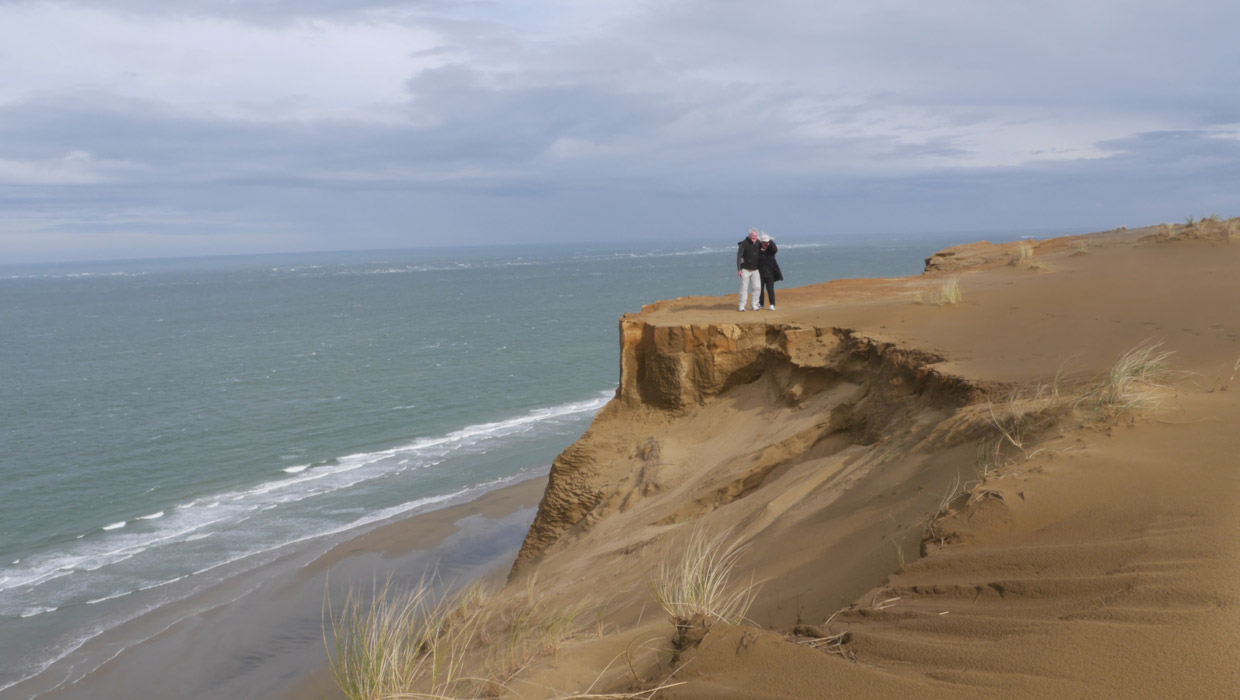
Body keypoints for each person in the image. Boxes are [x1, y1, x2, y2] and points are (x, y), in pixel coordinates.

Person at [736, 228, 762, 311]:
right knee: (744, 288)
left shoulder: (758, 243)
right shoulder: (743, 244)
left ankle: (754, 304)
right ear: (749, 235)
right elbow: (739, 257)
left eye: (756, 235)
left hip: (756, 269)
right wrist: (739, 269)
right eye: (753, 235)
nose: (754, 237)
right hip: (745, 269)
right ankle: (741, 305)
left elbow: (767, 246)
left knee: (757, 287)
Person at [757, 232, 782, 310]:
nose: (765, 244)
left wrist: (770, 240)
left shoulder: (771, 250)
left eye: (766, 242)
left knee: (770, 289)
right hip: (760, 273)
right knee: (760, 290)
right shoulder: (758, 250)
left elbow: (774, 248)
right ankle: (761, 304)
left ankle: (772, 304)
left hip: (770, 273)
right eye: (764, 242)